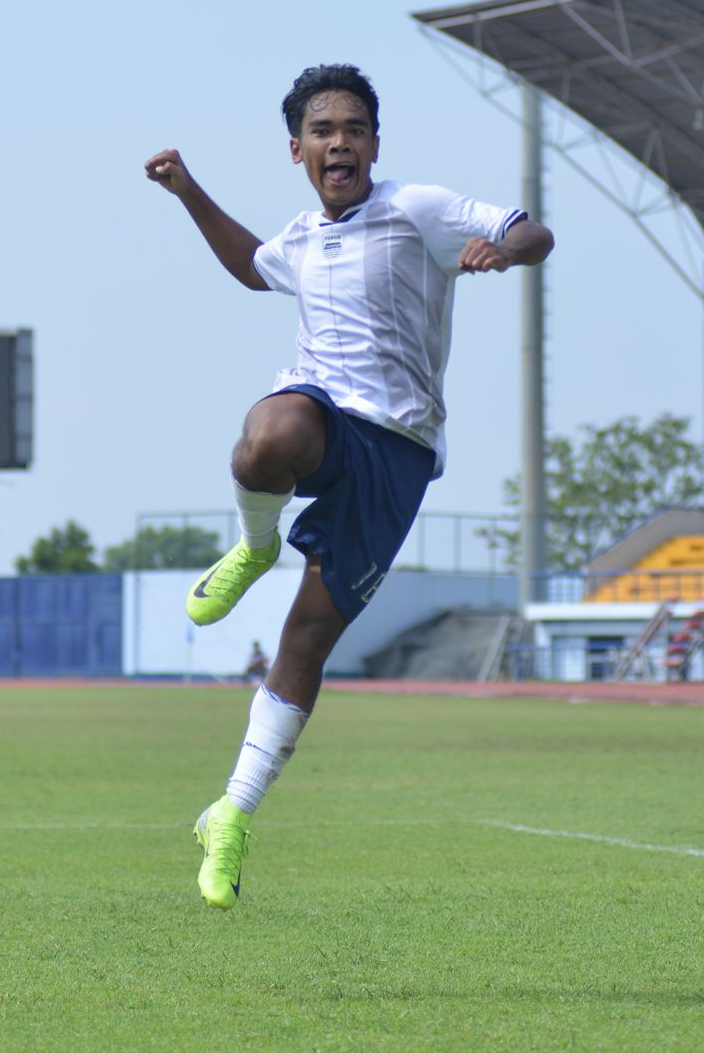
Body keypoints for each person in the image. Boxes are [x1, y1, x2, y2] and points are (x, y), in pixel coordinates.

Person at [145, 64, 554, 909]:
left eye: (356, 128)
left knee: (307, 639)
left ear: (375, 143)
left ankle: (230, 813)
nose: (341, 142)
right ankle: (257, 548)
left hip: (398, 452)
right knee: (269, 436)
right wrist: (188, 191)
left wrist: (500, 251)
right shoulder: (300, 237)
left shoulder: (420, 210)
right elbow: (251, 266)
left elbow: (533, 231)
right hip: (324, 415)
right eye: (324, 130)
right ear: (297, 149)